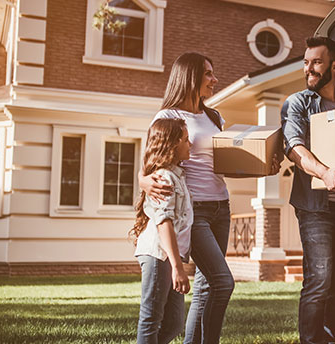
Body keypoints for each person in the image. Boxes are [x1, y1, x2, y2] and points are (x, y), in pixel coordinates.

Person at [139, 52, 233, 344]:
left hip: (222, 206)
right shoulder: (167, 117)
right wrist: (143, 182)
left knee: (207, 286)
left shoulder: (214, 116)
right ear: (189, 77)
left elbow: (222, 164)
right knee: (221, 282)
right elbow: (150, 165)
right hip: (196, 211)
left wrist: (259, 168)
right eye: (208, 74)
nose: (214, 80)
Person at [281, 36, 335, 344]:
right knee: (319, 280)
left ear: (334, 65)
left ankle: (328, 339)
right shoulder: (298, 103)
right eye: (305, 63)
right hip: (316, 207)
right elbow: (294, 146)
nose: (309, 69)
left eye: (316, 62)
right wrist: (324, 172)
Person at [131, 117, 192, 344]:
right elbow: (163, 222)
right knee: (151, 319)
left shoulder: (177, 174)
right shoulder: (164, 178)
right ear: (172, 145)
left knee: (174, 323)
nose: (190, 144)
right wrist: (177, 267)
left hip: (169, 256)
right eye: (186, 140)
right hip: (158, 255)